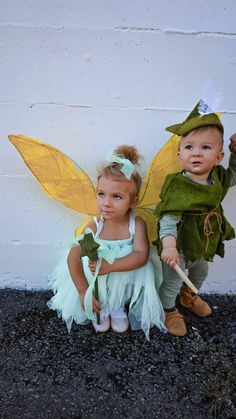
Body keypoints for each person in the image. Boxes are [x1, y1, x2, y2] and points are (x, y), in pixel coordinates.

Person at [47, 145, 166, 340]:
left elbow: (141, 255)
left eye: (116, 197)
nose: (106, 202)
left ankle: (117, 305)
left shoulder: (136, 224)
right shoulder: (95, 225)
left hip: (123, 274)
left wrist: (112, 265)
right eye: (101, 194)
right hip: (96, 282)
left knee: (131, 273)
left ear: (133, 201)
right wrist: (83, 291)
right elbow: (74, 255)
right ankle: (99, 303)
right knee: (89, 265)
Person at [154, 100, 236, 336]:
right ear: (180, 154)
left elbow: (234, 175)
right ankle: (168, 310)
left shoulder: (219, 176)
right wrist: (168, 245)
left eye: (206, 148)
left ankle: (189, 297)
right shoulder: (177, 184)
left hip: (203, 238)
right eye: (189, 147)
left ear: (219, 156)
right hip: (177, 243)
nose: (196, 153)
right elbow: (168, 218)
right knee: (172, 281)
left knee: (200, 273)